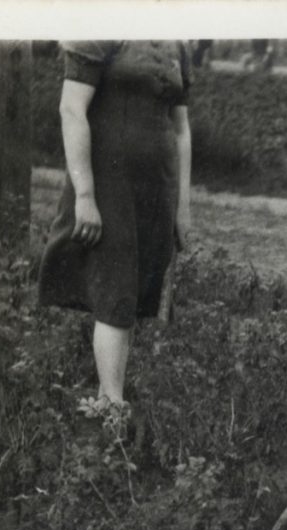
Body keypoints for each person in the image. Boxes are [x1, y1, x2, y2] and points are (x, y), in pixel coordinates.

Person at [39, 41, 192, 419]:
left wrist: (182, 207)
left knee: (135, 291)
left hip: (156, 185)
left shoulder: (178, 41)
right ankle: (111, 406)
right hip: (109, 182)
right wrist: (85, 195)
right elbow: (72, 109)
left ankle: (112, 397)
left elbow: (182, 129)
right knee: (115, 287)